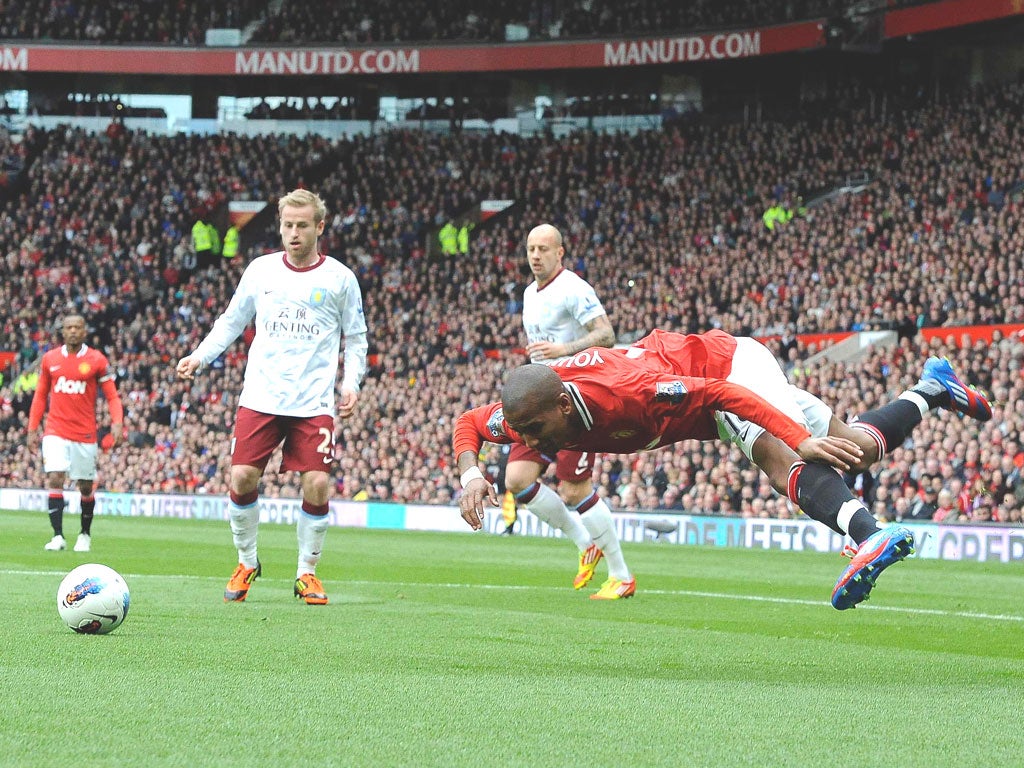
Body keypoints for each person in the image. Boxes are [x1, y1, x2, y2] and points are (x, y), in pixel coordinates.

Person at [453, 329, 992, 610]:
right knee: (856, 447)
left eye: (533, 432)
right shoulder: (533, 409)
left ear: (564, 408)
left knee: (782, 461)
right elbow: (470, 424)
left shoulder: (627, 395)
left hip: (727, 370)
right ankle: (931, 389)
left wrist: (796, 437)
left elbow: (722, 393)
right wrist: (472, 475)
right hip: (719, 382)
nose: (525, 444)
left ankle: (868, 535)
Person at [176, 188, 368, 606]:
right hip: (261, 395)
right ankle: (247, 562)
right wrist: (200, 356)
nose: (293, 233)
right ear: (279, 226)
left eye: (302, 225)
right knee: (242, 477)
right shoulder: (261, 271)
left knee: (317, 483)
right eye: (287, 225)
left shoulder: (339, 278)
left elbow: (356, 338)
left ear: (320, 226)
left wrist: (351, 383)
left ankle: (306, 572)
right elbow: (231, 321)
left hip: (313, 401)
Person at [506, 222, 634, 600]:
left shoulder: (575, 288)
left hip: (572, 401)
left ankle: (621, 574)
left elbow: (606, 334)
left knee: (574, 488)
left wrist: (563, 351)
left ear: (559, 252)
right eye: (530, 248)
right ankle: (584, 543)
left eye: (543, 248)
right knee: (517, 477)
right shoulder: (529, 293)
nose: (535, 255)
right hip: (537, 400)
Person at [27, 314, 124, 552]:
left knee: (85, 485)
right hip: (55, 429)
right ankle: (58, 536)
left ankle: (84, 534)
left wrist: (118, 422)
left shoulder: (96, 360)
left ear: (84, 332)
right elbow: (40, 395)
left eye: (77, 327)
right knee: (55, 476)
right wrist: (32, 427)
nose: (72, 331)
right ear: (62, 331)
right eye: (68, 327)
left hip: (84, 433)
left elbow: (111, 395)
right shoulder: (50, 359)